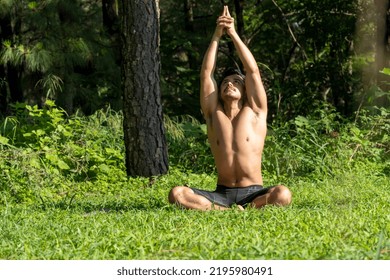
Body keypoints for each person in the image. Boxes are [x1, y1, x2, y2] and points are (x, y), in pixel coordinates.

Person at [168, 6, 292, 210]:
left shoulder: (256, 112)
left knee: (283, 194)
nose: (229, 84)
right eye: (225, 82)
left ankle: (249, 207)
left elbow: (252, 71)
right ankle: (224, 211)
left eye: (236, 81)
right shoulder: (213, 114)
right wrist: (217, 35)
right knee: (177, 193)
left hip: (254, 192)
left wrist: (232, 33)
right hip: (222, 193)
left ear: (245, 90)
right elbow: (206, 74)